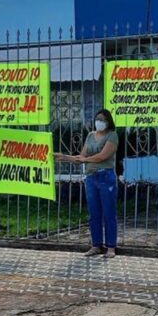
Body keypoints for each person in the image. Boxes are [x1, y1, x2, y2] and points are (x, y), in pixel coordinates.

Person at [55, 109, 119, 258]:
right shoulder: (90, 136)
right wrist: (64, 157)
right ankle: (96, 245)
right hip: (91, 178)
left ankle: (111, 247)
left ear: (108, 121)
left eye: (102, 119)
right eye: (97, 119)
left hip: (106, 177)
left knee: (109, 213)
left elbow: (102, 156)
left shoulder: (112, 135)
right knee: (94, 213)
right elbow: (81, 157)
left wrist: (84, 160)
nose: (99, 122)